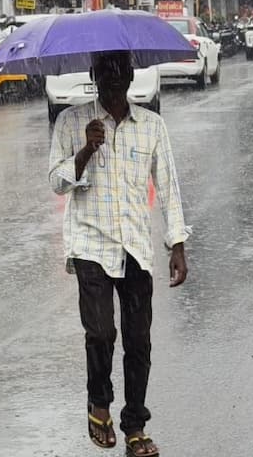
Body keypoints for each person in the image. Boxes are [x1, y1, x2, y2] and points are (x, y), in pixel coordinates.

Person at [48, 51, 190, 457]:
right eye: (104, 74)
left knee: (138, 341)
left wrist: (176, 244)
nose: (113, 81)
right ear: (94, 76)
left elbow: (168, 187)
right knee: (100, 333)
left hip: (135, 246)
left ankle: (135, 426)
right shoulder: (72, 122)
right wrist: (85, 152)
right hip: (90, 242)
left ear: (130, 76)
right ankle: (99, 405)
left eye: (120, 73)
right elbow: (57, 183)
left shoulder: (151, 126)